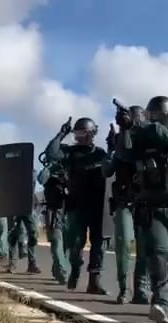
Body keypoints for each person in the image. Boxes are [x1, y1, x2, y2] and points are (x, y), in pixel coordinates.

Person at [120, 96, 168, 323]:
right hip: (151, 207)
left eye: (158, 117)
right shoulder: (140, 136)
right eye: (152, 117)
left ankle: (166, 296)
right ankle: (161, 301)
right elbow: (123, 154)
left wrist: (144, 125)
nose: (155, 122)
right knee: (159, 253)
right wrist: (125, 130)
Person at [44, 117, 108, 294]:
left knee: (98, 245)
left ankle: (94, 282)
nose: (79, 137)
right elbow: (51, 153)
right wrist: (61, 134)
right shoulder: (70, 153)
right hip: (75, 206)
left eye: (83, 133)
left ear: (92, 133)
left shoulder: (101, 154)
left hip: (97, 207)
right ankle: (75, 271)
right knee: (75, 245)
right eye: (77, 133)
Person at [103, 106, 151, 304]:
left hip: (146, 201)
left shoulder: (148, 142)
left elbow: (133, 153)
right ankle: (124, 288)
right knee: (123, 244)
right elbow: (107, 170)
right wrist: (111, 149)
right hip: (125, 201)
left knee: (146, 246)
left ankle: (141, 288)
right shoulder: (120, 146)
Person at [37, 152, 70, 284]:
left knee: (67, 245)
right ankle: (62, 272)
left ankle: (57, 268)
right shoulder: (49, 173)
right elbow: (41, 179)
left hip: (68, 212)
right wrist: (49, 167)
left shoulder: (69, 169)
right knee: (57, 243)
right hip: (54, 213)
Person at [5, 174, 41, 274]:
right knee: (12, 235)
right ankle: (12, 263)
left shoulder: (29, 168)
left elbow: (34, 180)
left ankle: (32, 264)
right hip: (14, 205)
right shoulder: (10, 168)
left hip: (28, 207)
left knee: (33, 234)